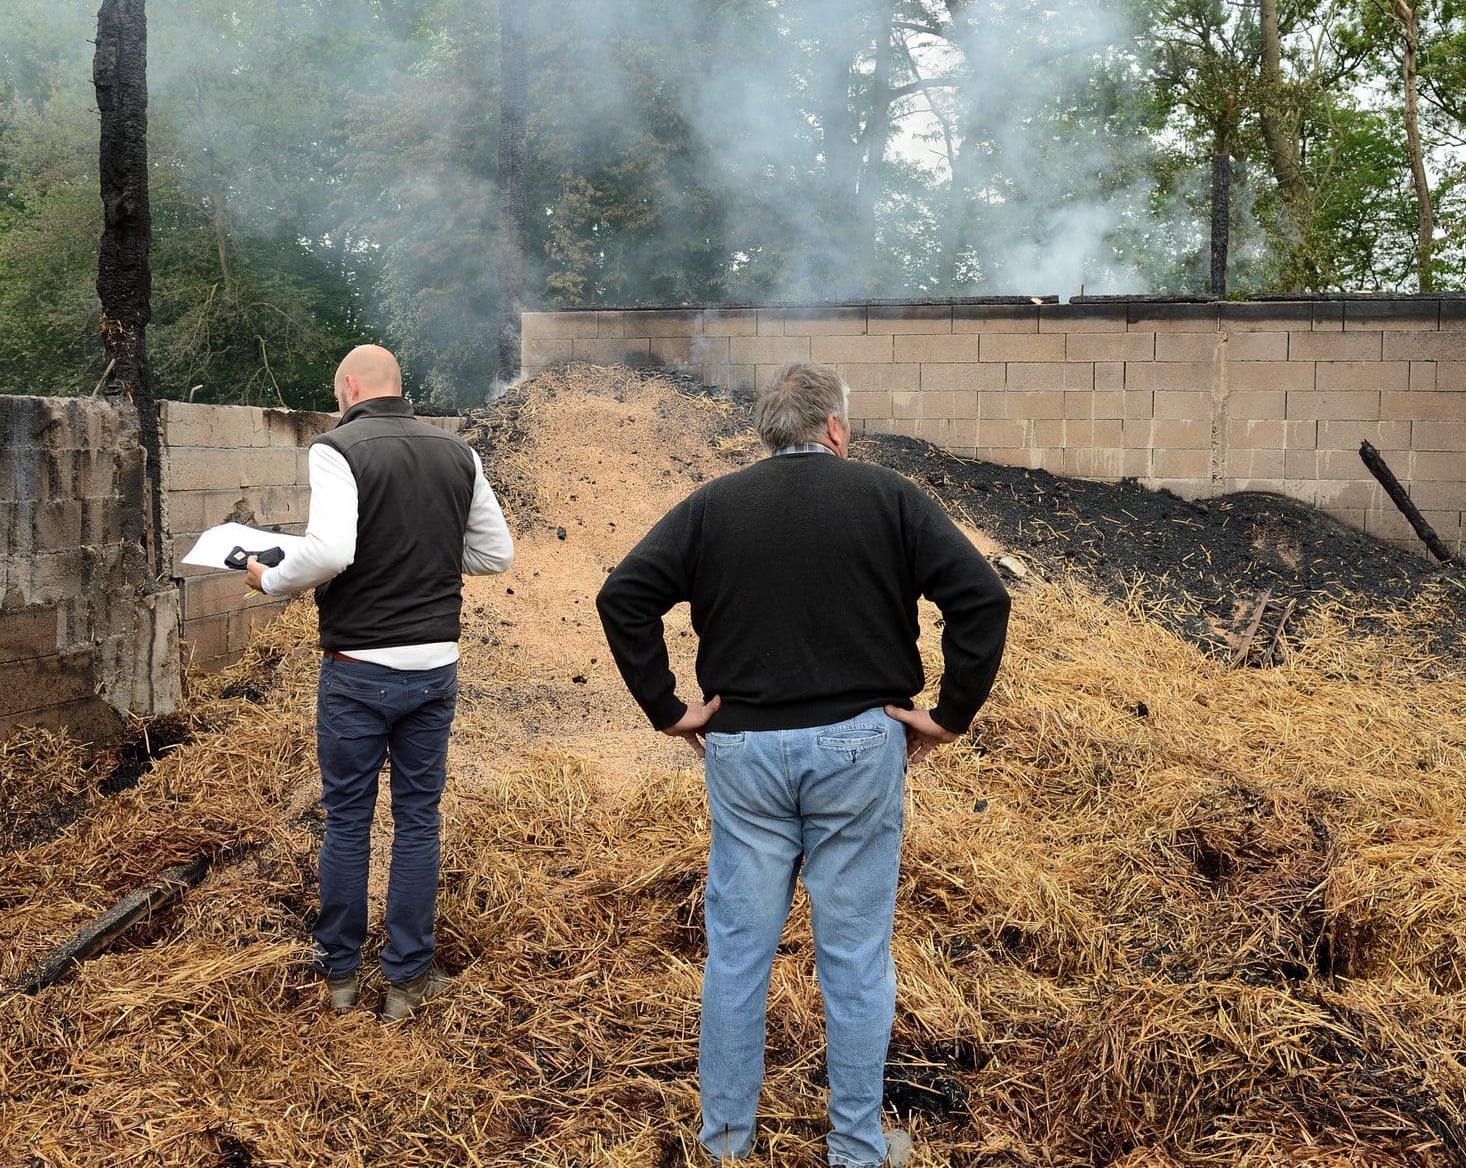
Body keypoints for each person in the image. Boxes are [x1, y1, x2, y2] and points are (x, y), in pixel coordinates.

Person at [596, 363, 1010, 1168]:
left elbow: (624, 597)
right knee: (854, 957)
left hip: (742, 750)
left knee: (739, 952)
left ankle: (725, 1143)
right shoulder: (886, 497)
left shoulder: (715, 505)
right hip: (859, 745)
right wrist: (950, 714)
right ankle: (856, 1146)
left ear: (771, 432)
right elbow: (981, 598)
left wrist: (667, 707)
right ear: (836, 429)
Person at [245, 344, 513, 1020]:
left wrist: (270, 576)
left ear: (352, 387)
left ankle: (339, 978)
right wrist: (419, 547)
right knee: (417, 821)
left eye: (340, 396)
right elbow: (493, 552)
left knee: (349, 821)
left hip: (359, 670)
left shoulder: (339, 448)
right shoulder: (459, 454)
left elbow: (332, 550)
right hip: (432, 669)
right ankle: (407, 982)